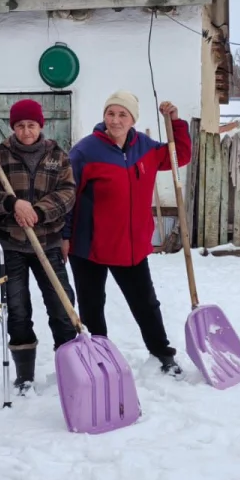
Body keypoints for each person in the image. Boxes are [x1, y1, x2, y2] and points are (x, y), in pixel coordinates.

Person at [62, 91, 192, 377]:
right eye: (111, 113)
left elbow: (180, 155)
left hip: (131, 246)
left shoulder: (145, 147)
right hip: (90, 247)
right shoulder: (84, 151)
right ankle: (100, 357)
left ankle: (162, 352)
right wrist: (66, 236)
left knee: (146, 303)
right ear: (104, 115)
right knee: (93, 306)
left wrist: (175, 122)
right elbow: (68, 197)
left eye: (123, 114)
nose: (115, 120)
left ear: (133, 119)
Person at [0, 98, 78, 394]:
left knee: (62, 305)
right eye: (20, 125)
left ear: (40, 125)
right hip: (11, 245)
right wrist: (13, 204)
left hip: (47, 242)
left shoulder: (56, 155)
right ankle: (24, 375)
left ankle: (70, 366)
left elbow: (68, 192)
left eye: (31, 125)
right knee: (18, 310)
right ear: (13, 127)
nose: (26, 131)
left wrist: (39, 211)